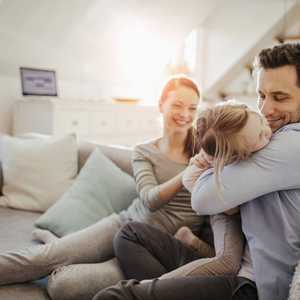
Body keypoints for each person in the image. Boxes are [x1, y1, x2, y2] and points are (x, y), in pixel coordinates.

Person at [92, 42, 300, 300]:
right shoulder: (266, 137)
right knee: (129, 234)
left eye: (280, 97)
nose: (266, 109)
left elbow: (202, 198)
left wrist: (204, 165)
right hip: (233, 266)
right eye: (261, 95)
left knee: (115, 296)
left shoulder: (293, 143)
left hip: (251, 286)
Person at [0, 75, 206, 300]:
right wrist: (187, 173)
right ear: (161, 104)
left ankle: (61, 248)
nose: (185, 114)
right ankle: (59, 248)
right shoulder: (144, 152)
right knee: (42, 258)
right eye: (177, 105)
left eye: (192, 108)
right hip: (124, 223)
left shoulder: (204, 152)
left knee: (63, 287)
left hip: (149, 251)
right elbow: (150, 199)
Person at [112, 102, 272, 282]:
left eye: (262, 122)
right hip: (219, 206)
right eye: (260, 136)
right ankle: (155, 286)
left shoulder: (244, 124)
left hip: (223, 196)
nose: (267, 132)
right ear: (234, 156)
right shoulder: (208, 160)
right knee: (228, 262)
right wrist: (229, 207)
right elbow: (191, 182)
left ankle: (192, 242)